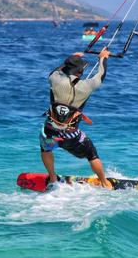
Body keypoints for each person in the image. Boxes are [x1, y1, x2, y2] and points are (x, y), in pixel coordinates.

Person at [39, 47, 112, 190]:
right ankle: (105, 183)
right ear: (80, 72)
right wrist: (103, 58)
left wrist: (70, 59)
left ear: (66, 69)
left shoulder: (54, 80)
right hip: (70, 135)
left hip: (49, 131)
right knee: (91, 153)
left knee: (45, 148)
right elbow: (101, 75)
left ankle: (53, 179)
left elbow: (54, 71)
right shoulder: (87, 86)